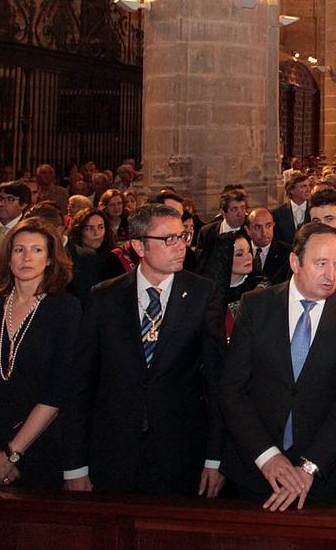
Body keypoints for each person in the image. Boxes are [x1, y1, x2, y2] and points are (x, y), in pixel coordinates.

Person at [63, 203, 226, 496]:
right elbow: (81, 384)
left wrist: (215, 459)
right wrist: (76, 465)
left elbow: (215, 381)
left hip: (180, 451)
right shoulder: (104, 297)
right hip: (113, 451)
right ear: (138, 245)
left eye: (183, 237)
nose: (180, 247)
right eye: (168, 240)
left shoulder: (202, 293)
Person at [220, 222, 336, 507]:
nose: (331, 275)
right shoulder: (256, 305)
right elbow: (233, 390)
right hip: (257, 473)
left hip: (324, 476)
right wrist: (268, 457)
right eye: (322, 263)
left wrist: (309, 467)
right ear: (294, 261)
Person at [0, 219, 81, 489]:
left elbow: (57, 390)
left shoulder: (66, 310)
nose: (27, 258)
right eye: (19, 250)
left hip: (37, 448)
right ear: (7, 257)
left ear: (50, 259)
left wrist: (12, 454)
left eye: (37, 250)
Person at [271, 173, 313, 247]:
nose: (308, 189)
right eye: (303, 186)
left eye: (309, 185)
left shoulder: (314, 210)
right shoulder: (278, 214)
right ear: (292, 190)